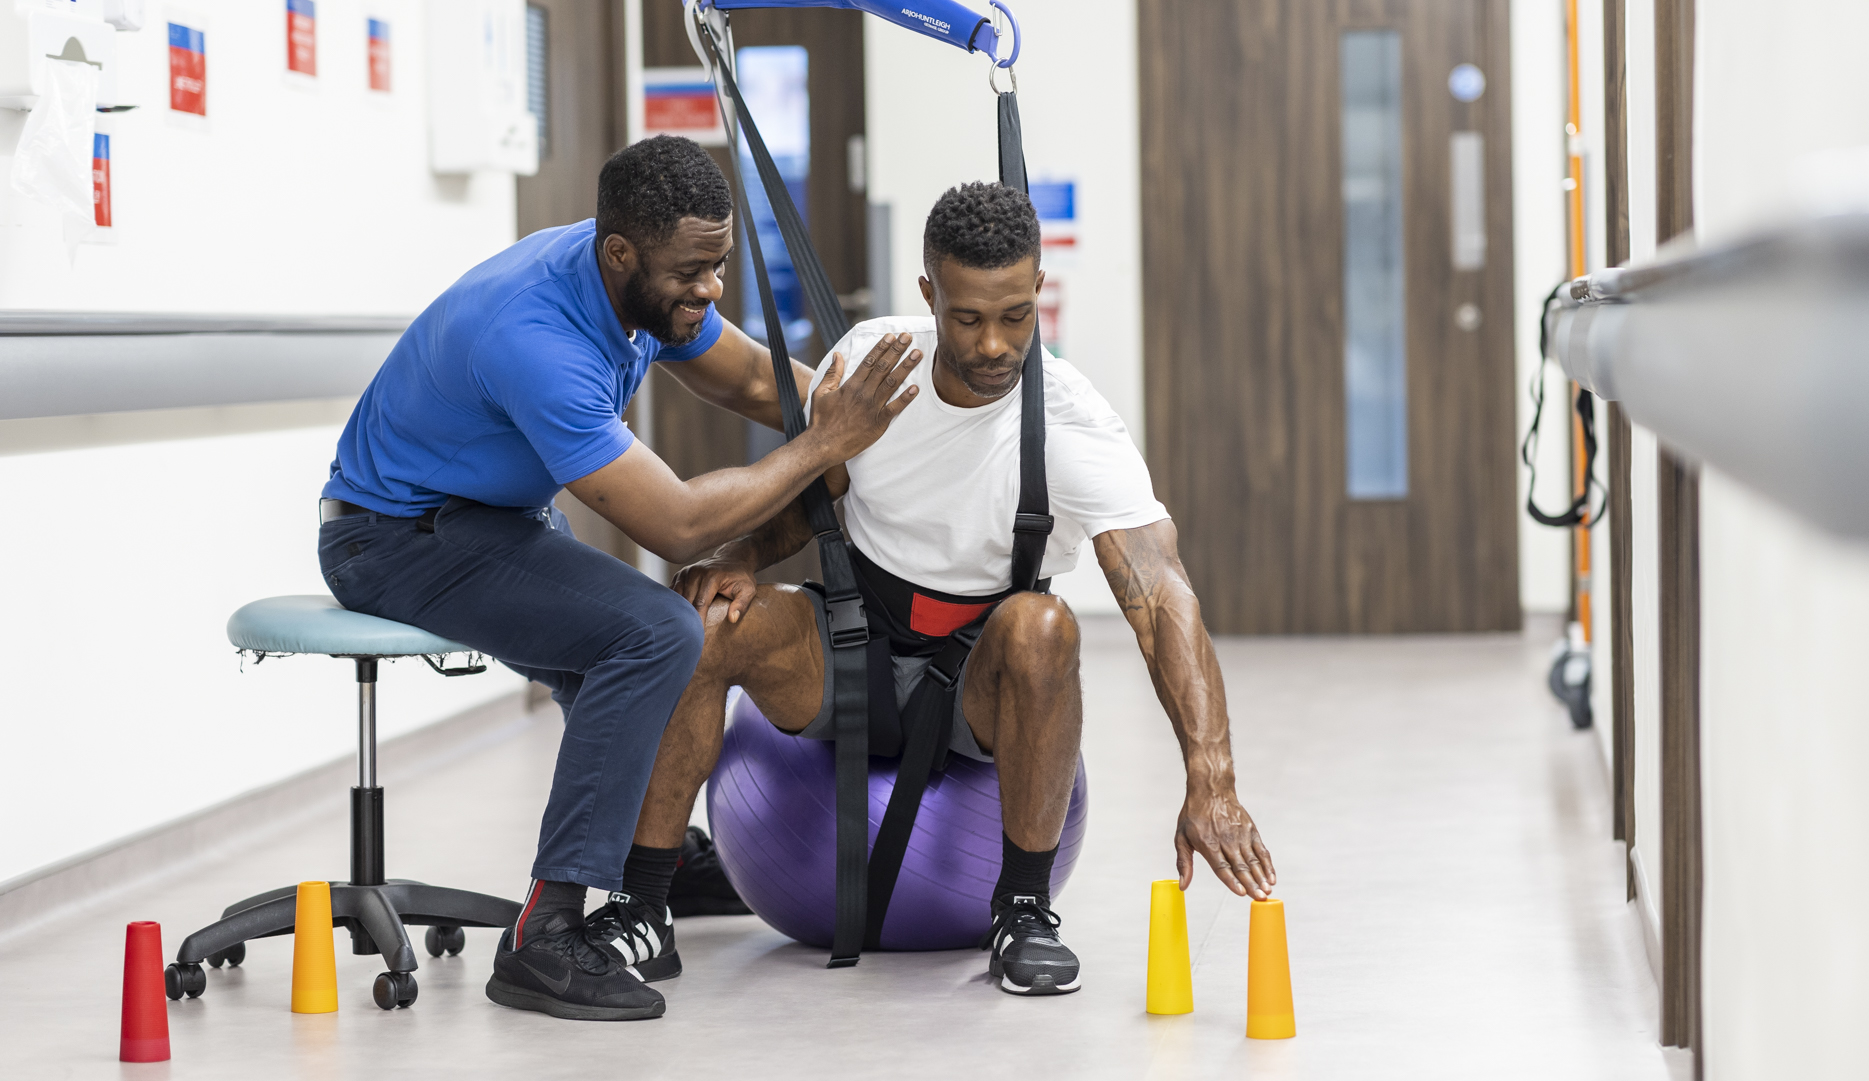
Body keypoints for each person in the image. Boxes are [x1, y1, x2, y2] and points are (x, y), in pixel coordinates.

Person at [595, 181, 1276, 996]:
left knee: (1044, 627)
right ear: (929, 295)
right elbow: (824, 495)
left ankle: (1022, 910)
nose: (994, 345)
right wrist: (742, 557)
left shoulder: (1071, 423)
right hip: (853, 640)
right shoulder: (874, 365)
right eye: (968, 318)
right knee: (704, 625)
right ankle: (644, 906)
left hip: (977, 678)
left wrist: (1213, 780)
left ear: (1037, 293)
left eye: (1015, 315)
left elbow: (1161, 593)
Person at [317, 135, 922, 1021]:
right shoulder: (535, 335)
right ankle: (546, 932)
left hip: (489, 518)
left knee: (629, 647)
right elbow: (676, 523)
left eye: (719, 265)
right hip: (393, 539)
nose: (711, 290)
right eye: (695, 271)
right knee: (654, 632)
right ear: (621, 254)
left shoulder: (638, 286)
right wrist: (824, 446)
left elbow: (758, 381)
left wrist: (878, 426)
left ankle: (661, 853)